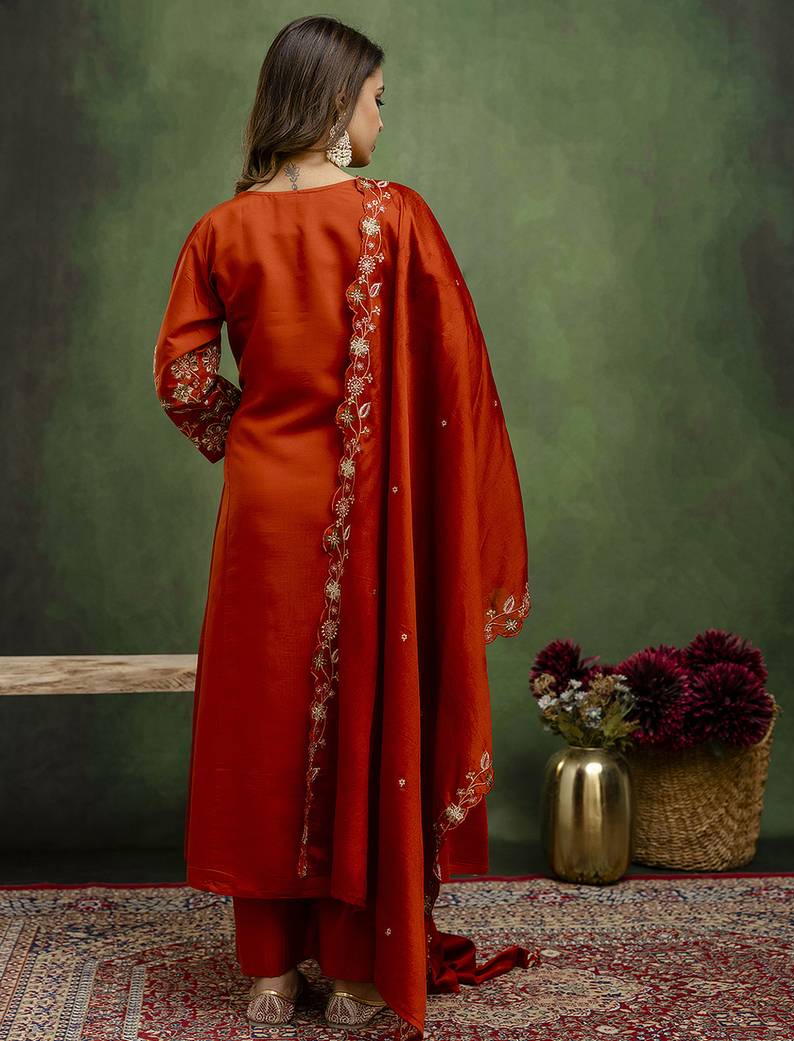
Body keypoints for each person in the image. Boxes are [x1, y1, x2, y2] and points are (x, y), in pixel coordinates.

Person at [152, 14, 537, 1041]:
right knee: (365, 721)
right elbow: (454, 378)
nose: (380, 119)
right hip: (368, 511)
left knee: (266, 726)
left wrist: (249, 434)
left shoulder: (218, 230)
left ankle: (271, 977)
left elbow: (182, 379)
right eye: (375, 100)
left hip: (261, 516)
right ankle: (360, 975)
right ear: (332, 103)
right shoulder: (393, 217)